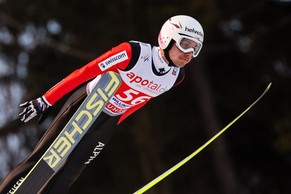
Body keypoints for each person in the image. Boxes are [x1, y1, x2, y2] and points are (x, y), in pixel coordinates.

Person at [0, 15, 204, 194]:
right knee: (45, 160)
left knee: (70, 173)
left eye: (195, 48)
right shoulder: (132, 53)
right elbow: (86, 72)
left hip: (107, 121)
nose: (189, 53)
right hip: (88, 104)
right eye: (185, 44)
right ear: (167, 38)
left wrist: (113, 123)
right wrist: (46, 100)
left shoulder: (176, 77)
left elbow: (141, 101)